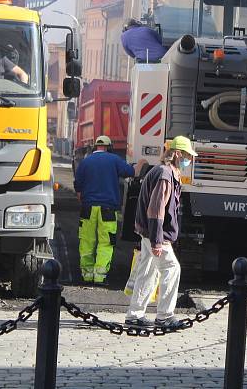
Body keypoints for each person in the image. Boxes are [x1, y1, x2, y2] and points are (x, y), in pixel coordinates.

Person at [125, 136, 196, 329]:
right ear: (178, 154)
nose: (190, 159)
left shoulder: (164, 172)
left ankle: (135, 315)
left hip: (148, 232)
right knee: (172, 269)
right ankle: (164, 316)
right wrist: (157, 241)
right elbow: (156, 210)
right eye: (188, 155)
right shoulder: (165, 175)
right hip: (155, 234)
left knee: (148, 272)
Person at [73, 135, 136, 284]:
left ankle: (86, 276)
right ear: (109, 147)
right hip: (108, 209)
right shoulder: (114, 160)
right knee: (106, 243)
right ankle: (99, 277)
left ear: (95, 146)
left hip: (88, 208)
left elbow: (78, 185)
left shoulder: (85, 162)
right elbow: (130, 172)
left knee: (86, 241)